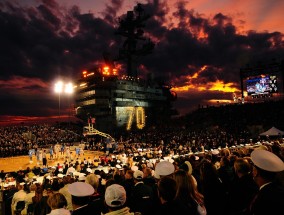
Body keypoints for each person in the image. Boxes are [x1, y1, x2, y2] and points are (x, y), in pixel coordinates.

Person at [248, 149, 284, 215]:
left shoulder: (262, 199)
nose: (252, 172)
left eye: (253, 170)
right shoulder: (278, 189)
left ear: (256, 172)